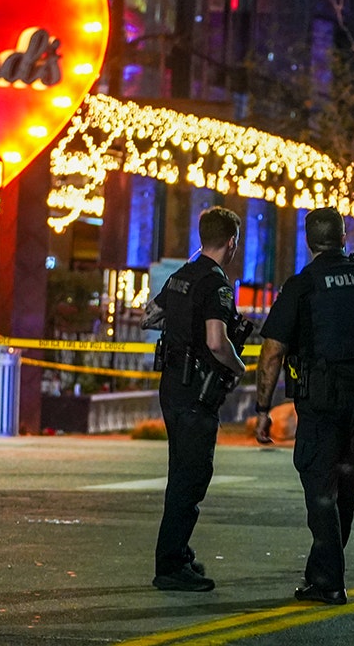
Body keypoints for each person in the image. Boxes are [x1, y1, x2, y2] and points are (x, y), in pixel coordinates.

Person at [253, 207, 354, 606]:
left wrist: (262, 408)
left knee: (320, 487)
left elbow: (273, 351)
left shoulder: (303, 285)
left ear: (309, 241)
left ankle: (329, 582)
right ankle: (321, 575)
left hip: (321, 403)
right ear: (344, 238)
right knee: (345, 487)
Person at [144, 206, 246, 593]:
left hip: (172, 385)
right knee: (191, 477)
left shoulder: (181, 276)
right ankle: (170, 564)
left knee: (181, 472)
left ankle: (179, 553)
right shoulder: (216, 283)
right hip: (197, 390)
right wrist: (238, 367)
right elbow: (217, 342)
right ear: (231, 242)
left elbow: (149, 317)